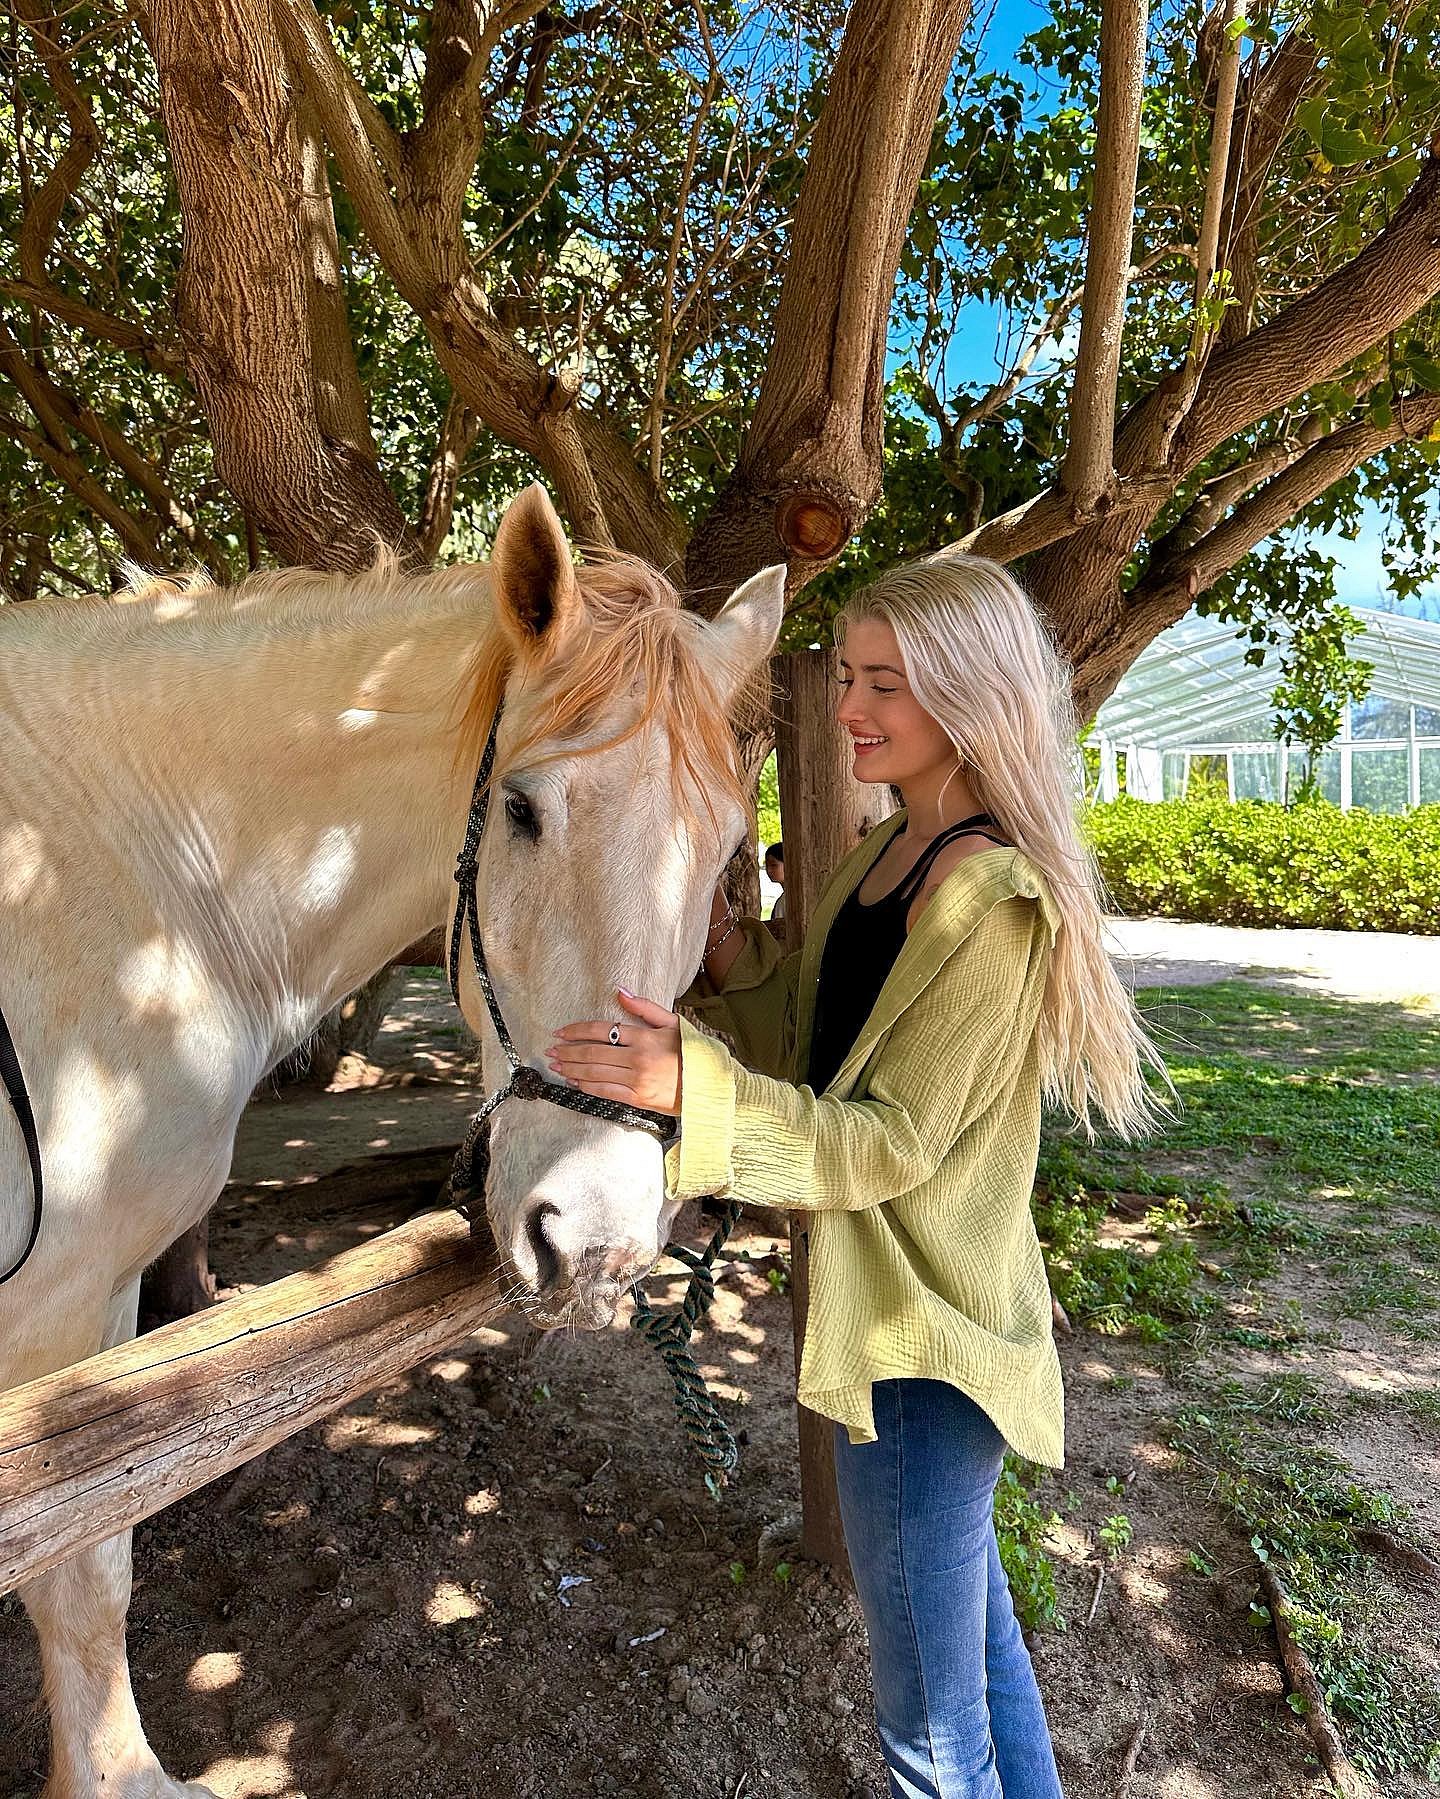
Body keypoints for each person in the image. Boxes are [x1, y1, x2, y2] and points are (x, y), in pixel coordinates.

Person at [547, 547, 1163, 1798]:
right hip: (892, 1331)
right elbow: (806, 1036)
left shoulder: (992, 900)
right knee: (978, 1661)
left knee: (930, 1736)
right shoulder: (886, 862)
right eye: (849, 675)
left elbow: (880, 1142)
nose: (850, 708)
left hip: (926, 1352)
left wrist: (690, 1094)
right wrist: (716, 980)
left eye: (888, 681)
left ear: (970, 695)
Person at [764, 840, 786, 940]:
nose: (769, 870)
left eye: (774, 865)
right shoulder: (781, 900)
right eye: (767, 866)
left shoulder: (786, 900)